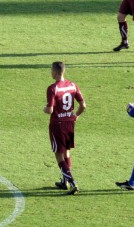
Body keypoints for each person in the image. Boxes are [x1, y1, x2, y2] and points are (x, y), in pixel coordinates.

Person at [43, 62, 86, 195]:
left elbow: (50, 110)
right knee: (67, 153)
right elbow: (83, 105)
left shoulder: (52, 88)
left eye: (51, 70)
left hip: (58, 125)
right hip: (69, 123)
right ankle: (64, 181)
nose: (50, 72)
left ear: (55, 72)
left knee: (59, 156)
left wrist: (44, 108)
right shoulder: (73, 85)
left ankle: (72, 183)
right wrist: (76, 115)